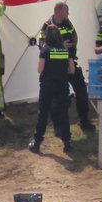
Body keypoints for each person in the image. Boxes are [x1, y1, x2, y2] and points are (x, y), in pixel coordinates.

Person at [29, 19, 74, 154]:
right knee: (63, 114)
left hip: (47, 85)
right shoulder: (65, 51)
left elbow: (40, 69)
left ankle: (37, 142)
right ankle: (67, 143)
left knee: (43, 114)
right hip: (62, 85)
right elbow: (71, 70)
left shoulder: (45, 51)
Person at [50, 1, 94, 129]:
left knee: (81, 91)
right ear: (58, 11)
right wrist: (61, 46)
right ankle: (59, 125)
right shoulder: (48, 26)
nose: (68, 13)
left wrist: (73, 46)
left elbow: (74, 34)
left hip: (71, 63)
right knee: (59, 96)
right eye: (66, 11)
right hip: (57, 67)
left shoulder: (67, 23)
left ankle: (84, 120)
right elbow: (43, 46)